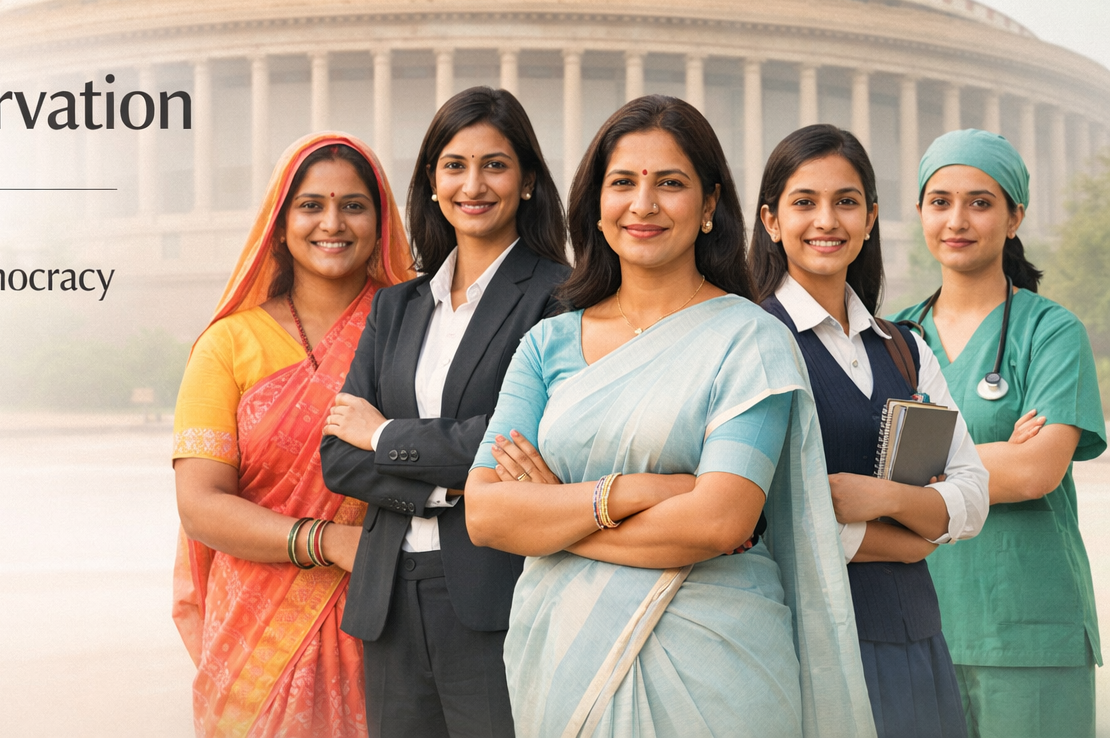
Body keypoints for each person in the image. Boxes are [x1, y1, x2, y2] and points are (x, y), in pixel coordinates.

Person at [463, 94, 875, 738]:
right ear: (596, 205)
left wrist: (554, 517)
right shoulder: (548, 344)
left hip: (717, 670)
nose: (644, 204)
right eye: (623, 182)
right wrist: (630, 493)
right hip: (563, 658)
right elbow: (485, 513)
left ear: (710, 206)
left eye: (671, 184)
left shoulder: (751, 340)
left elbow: (718, 520)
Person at [318, 86, 570, 738]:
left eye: (495, 164)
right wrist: (448, 486)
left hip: (496, 592)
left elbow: (518, 439)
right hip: (390, 598)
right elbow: (339, 456)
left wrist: (386, 435)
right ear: (432, 181)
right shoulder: (396, 308)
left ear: (528, 182)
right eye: (454, 165)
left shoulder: (560, 297)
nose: (473, 184)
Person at [172, 133, 415, 738]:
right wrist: (326, 541)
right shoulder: (228, 344)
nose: (332, 222)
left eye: (354, 205)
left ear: (381, 221)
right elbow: (200, 504)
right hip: (255, 641)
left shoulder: (418, 327)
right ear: (279, 225)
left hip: (393, 615)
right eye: (311, 205)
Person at [751, 124, 988, 738]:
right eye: (804, 202)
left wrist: (885, 501)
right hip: (806, 647)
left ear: (871, 216)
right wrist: (913, 537)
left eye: (846, 201)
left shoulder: (905, 348)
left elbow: (973, 493)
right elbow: (762, 520)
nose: (826, 220)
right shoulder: (749, 342)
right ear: (771, 220)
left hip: (915, 642)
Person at [894, 129, 1106, 738]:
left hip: (1028, 630)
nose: (957, 220)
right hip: (915, 623)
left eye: (980, 202)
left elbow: (1037, 471)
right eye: (940, 201)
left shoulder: (1051, 332)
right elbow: (865, 471)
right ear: (920, 213)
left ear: (1015, 217)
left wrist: (917, 468)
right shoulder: (892, 338)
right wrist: (993, 457)